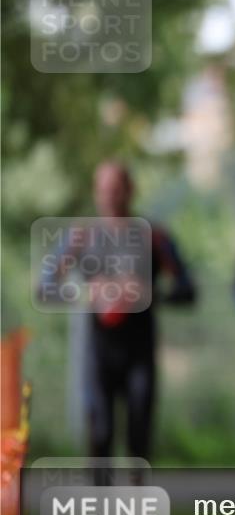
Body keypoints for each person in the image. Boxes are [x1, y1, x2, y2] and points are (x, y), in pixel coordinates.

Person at [39, 161, 197, 462]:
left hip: (139, 351)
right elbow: (45, 286)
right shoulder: (81, 237)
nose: (111, 197)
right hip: (98, 352)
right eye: (104, 190)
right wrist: (88, 293)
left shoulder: (154, 237)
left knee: (139, 439)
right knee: (100, 435)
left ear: (130, 191)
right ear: (96, 193)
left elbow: (188, 289)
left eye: (117, 190)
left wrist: (148, 293)